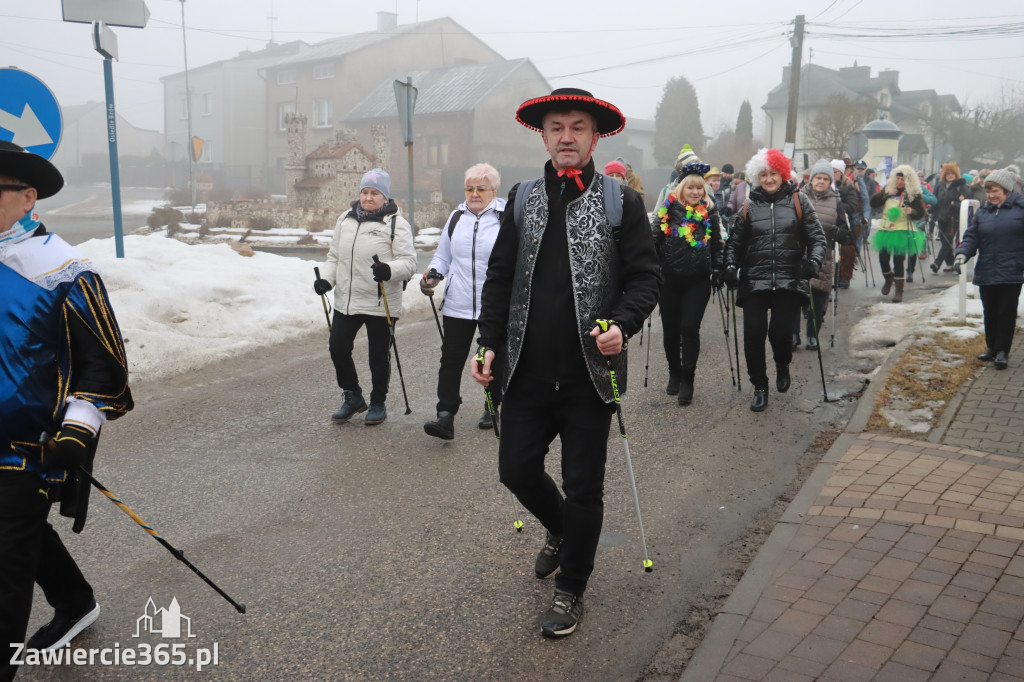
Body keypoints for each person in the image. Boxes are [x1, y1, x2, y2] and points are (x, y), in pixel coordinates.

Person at [472, 87, 660, 638]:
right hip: (527, 371)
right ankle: (560, 529)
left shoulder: (621, 201)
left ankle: (571, 589)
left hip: (588, 377)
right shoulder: (522, 196)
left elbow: (645, 278)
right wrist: (487, 343)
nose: (567, 136)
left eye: (578, 127)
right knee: (516, 470)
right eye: (557, 127)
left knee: (584, 489)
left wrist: (621, 326)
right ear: (544, 135)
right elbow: (500, 278)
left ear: (595, 136)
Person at [1, 141, 133, 681]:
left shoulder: (64, 269)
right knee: (17, 530)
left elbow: (104, 370)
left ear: (27, 197)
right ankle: (75, 600)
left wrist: (78, 432)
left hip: (28, 446)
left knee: (5, 561)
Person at [724, 148, 826, 412]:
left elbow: (817, 238)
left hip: (789, 279)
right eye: (764, 175)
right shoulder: (749, 204)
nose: (769, 179)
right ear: (757, 177)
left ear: (782, 174)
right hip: (755, 280)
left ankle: (782, 363)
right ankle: (759, 385)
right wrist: (730, 265)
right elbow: (734, 243)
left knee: (780, 333)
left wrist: (813, 262)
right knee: (753, 335)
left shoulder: (799, 201)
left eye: (773, 174)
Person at [313, 168, 417, 426]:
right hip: (347, 300)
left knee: (378, 356)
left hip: (380, 301)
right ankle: (352, 396)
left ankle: (378, 401)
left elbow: (409, 263)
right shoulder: (344, 220)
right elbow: (334, 257)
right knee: (337, 348)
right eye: (365, 192)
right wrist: (327, 280)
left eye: (375, 193)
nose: (368, 198)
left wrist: (388, 270)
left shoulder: (395, 224)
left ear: (385, 197)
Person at [420, 163, 506, 440]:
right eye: (469, 188)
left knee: (493, 357)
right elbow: (443, 256)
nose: (474, 194)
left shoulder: (506, 218)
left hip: (494, 303)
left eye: (481, 189)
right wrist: (433, 276)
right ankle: (446, 415)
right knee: (451, 359)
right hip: (458, 301)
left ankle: (492, 406)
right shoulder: (457, 217)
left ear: (494, 190)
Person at [652, 162, 724, 404]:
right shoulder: (668, 210)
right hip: (669, 278)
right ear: (682, 189)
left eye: (699, 189)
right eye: (691, 188)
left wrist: (720, 269)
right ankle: (674, 372)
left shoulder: (710, 212)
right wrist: (647, 268)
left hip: (698, 280)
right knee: (671, 330)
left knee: (689, 329)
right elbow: (653, 239)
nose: (695, 193)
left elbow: (716, 245)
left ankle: (687, 379)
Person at [954, 168, 1024, 370]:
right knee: (990, 311)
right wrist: (961, 255)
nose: (991, 195)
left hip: (1011, 271)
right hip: (986, 269)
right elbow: (971, 237)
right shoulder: (983, 213)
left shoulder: (1020, 210)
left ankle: (1003, 351)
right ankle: (991, 348)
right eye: (989, 191)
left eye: (996, 191)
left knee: (1006, 312)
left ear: (1007, 191)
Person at [798, 159, 849, 350]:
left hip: (824, 259)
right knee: (795, 299)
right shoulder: (798, 197)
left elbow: (846, 234)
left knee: (818, 303)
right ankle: (794, 335)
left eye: (825, 179)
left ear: (830, 182)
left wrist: (835, 232)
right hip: (799, 256)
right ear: (811, 180)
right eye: (818, 178)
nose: (821, 181)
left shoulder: (837, 202)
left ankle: (813, 336)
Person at [869, 165, 926, 303]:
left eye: (903, 179)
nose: (900, 181)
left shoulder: (913, 193)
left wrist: (912, 211)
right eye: (898, 178)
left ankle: (899, 291)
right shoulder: (888, 189)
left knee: (899, 259)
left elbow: (921, 213)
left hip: (902, 229)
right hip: (886, 228)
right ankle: (889, 278)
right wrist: (887, 194)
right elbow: (873, 203)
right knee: (883, 257)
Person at [930, 162, 969, 273]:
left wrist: (955, 203)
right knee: (944, 240)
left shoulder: (961, 186)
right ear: (944, 175)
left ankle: (937, 263)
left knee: (947, 240)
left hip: (954, 217)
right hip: (942, 216)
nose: (950, 175)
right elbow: (935, 201)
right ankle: (951, 263)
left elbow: (966, 201)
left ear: (956, 174)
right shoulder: (939, 186)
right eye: (948, 173)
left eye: (952, 173)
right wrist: (930, 210)